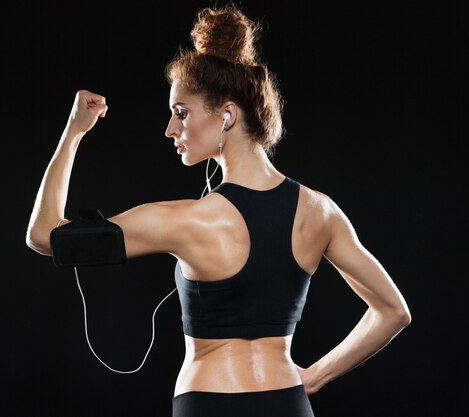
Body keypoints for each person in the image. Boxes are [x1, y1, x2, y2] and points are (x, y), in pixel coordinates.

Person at [26, 4, 412, 416]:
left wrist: (74, 132)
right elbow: (394, 312)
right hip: (287, 403)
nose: (170, 129)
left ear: (227, 115)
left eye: (181, 113)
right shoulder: (321, 213)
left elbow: (44, 236)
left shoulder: (188, 220)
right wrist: (313, 377)